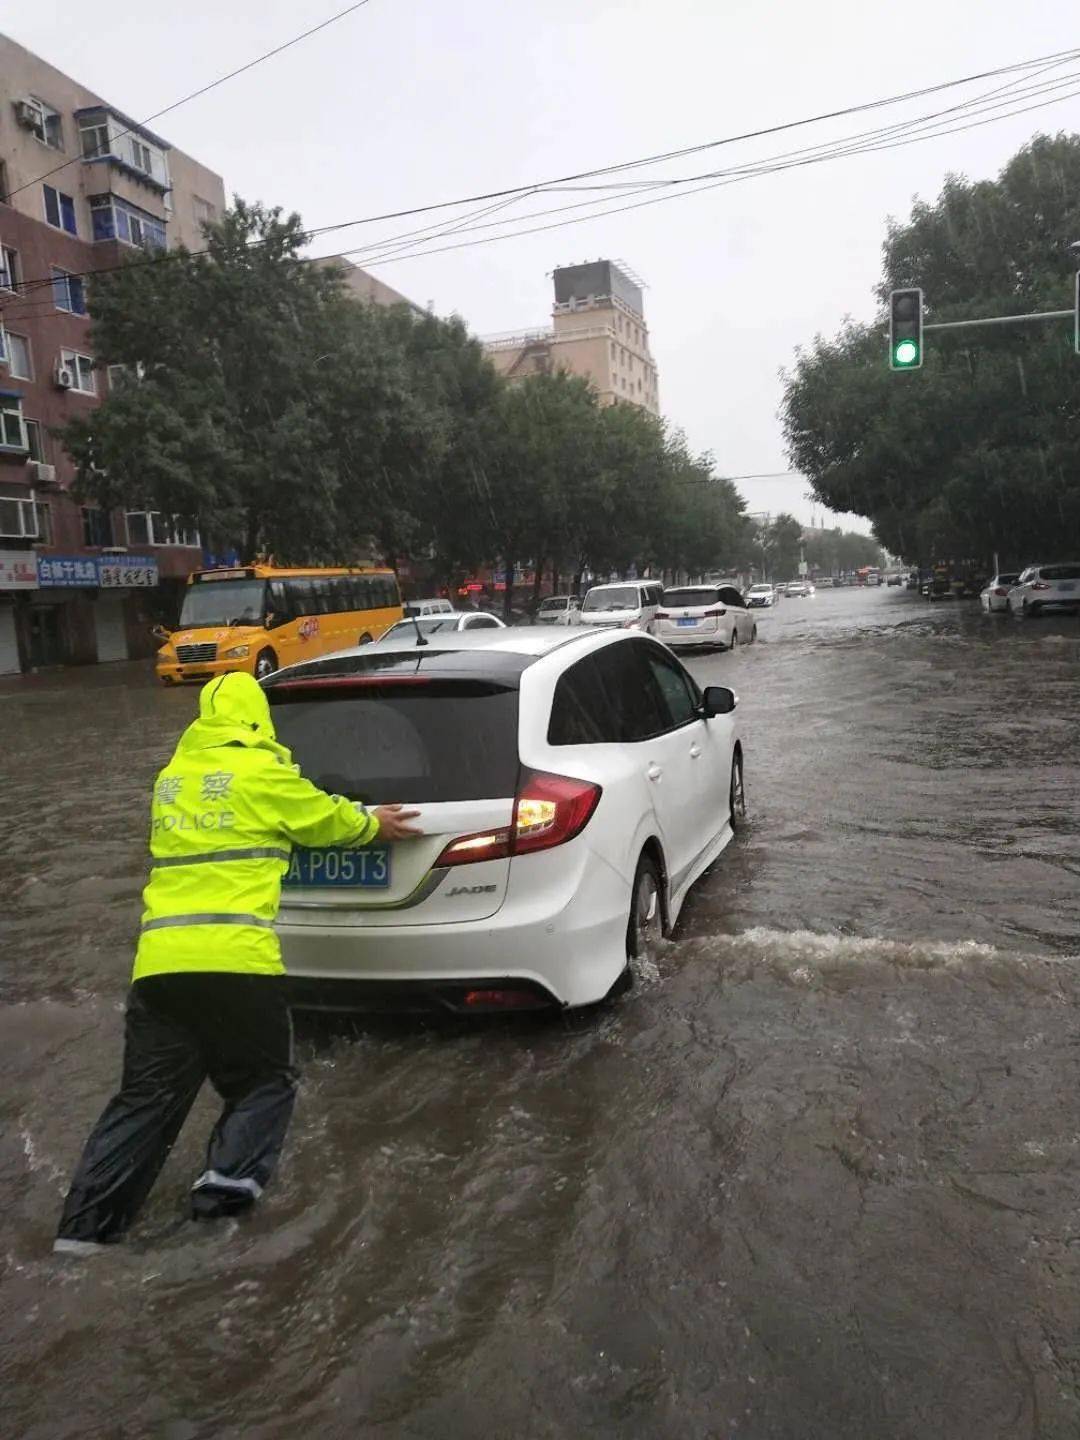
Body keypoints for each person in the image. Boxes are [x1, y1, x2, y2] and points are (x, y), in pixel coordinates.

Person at [54, 671, 421, 1254]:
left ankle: (82, 1234)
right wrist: (374, 823)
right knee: (264, 1082)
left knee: (144, 1101)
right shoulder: (263, 774)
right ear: (258, 719)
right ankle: (220, 1207)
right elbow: (326, 818)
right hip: (237, 962)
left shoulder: (171, 781)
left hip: (160, 966)